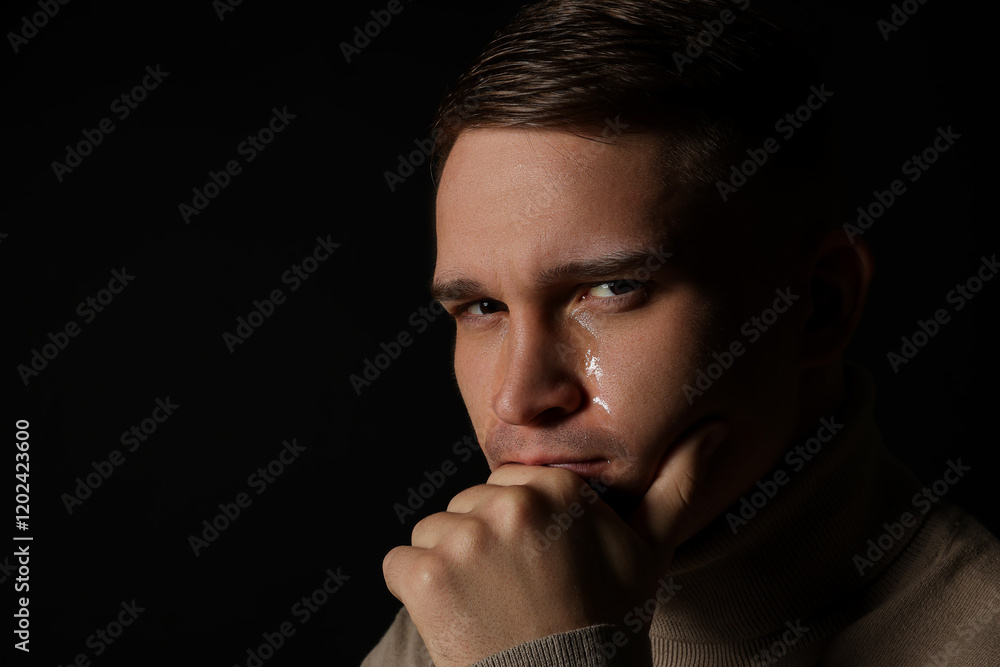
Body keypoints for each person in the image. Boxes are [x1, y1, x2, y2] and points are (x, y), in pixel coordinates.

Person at [362, 1, 1000, 664]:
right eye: (484, 307)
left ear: (819, 305)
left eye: (612, 289)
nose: (519, 398)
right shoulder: (461, 609)